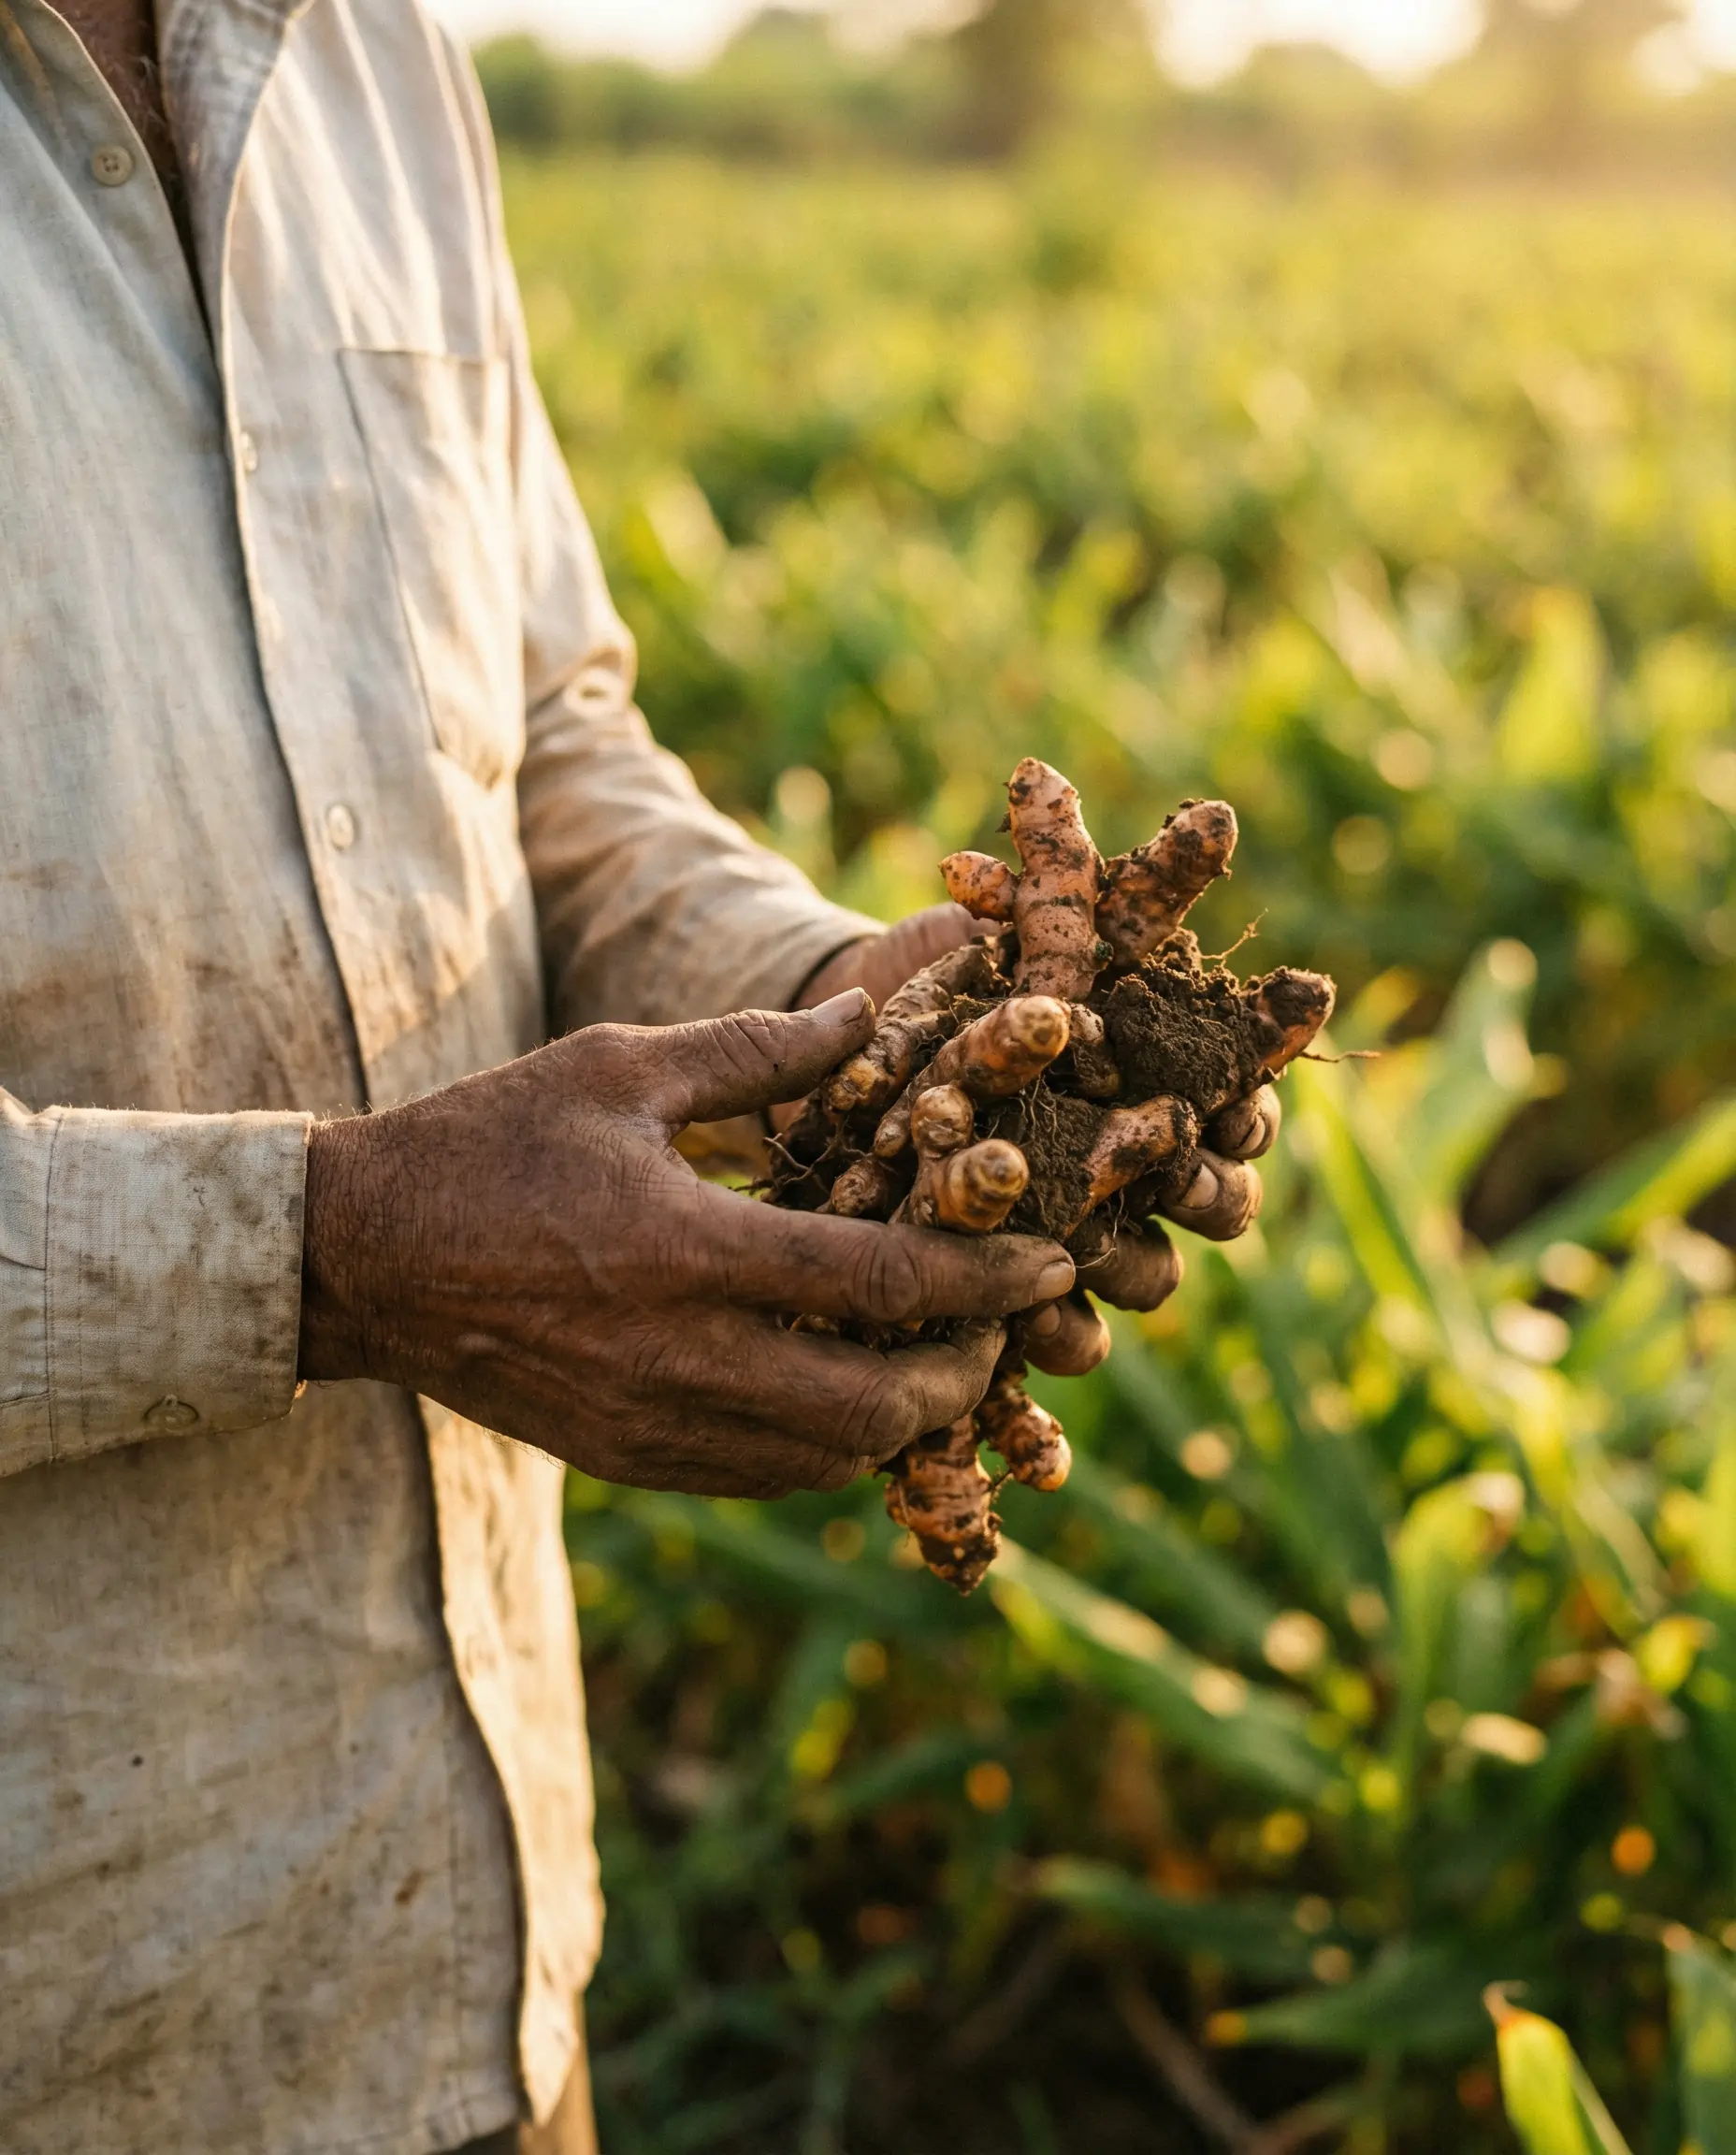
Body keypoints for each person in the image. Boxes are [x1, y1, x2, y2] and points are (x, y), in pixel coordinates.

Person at [0, 0, 1279, 2147]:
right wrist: (331, 1260)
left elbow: (546, 731)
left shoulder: (364, 54)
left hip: (466, 1952)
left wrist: (843, 1008)